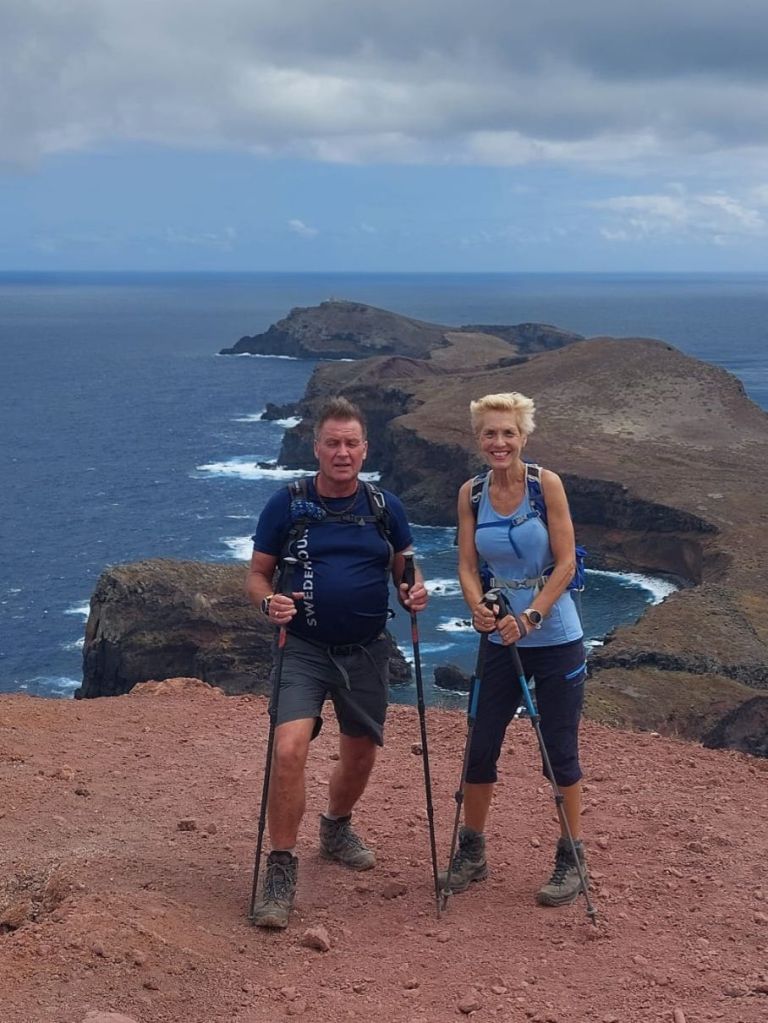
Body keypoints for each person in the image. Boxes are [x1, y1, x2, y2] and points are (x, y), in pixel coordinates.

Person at [246, 396, 428, 929]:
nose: (342, 452)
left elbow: (406, 570)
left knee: (361, 754)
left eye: (351, 443)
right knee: (288, 748)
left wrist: (414, 592)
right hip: (303, 647)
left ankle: (336, 826)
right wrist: (268, 602)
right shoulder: (286, 504)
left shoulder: (385, 507)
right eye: (333, 443)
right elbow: (257, 574)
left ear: (365, 449)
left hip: (368, 649)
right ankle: (281, 868)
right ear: (317, 447)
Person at [440, 391, 588, 907]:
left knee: (559, 750)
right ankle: (472, 851)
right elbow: (466, 564)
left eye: (508, 433)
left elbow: (566, 564)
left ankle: (571, 857)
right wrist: (477, 607)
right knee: (481, 744)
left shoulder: (546, 486)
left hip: (555, 637)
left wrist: (530, 617)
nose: (499, 442)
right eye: (490, 433)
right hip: (499, 637)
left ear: (523, 436)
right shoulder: (472, 493)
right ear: (478, 439)